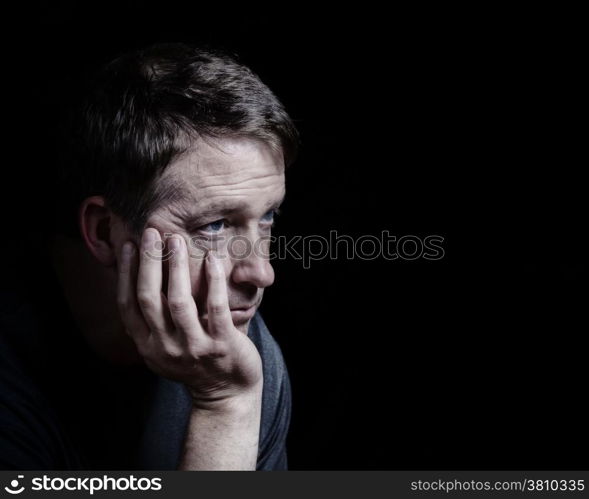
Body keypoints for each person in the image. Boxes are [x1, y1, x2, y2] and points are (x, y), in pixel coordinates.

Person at [0, 43, 298, 470]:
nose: (261, 271)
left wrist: (231, 403)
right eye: (213, 226)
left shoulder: (239, 360)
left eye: (267, 216)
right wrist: (223, 407)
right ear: (104, 231)